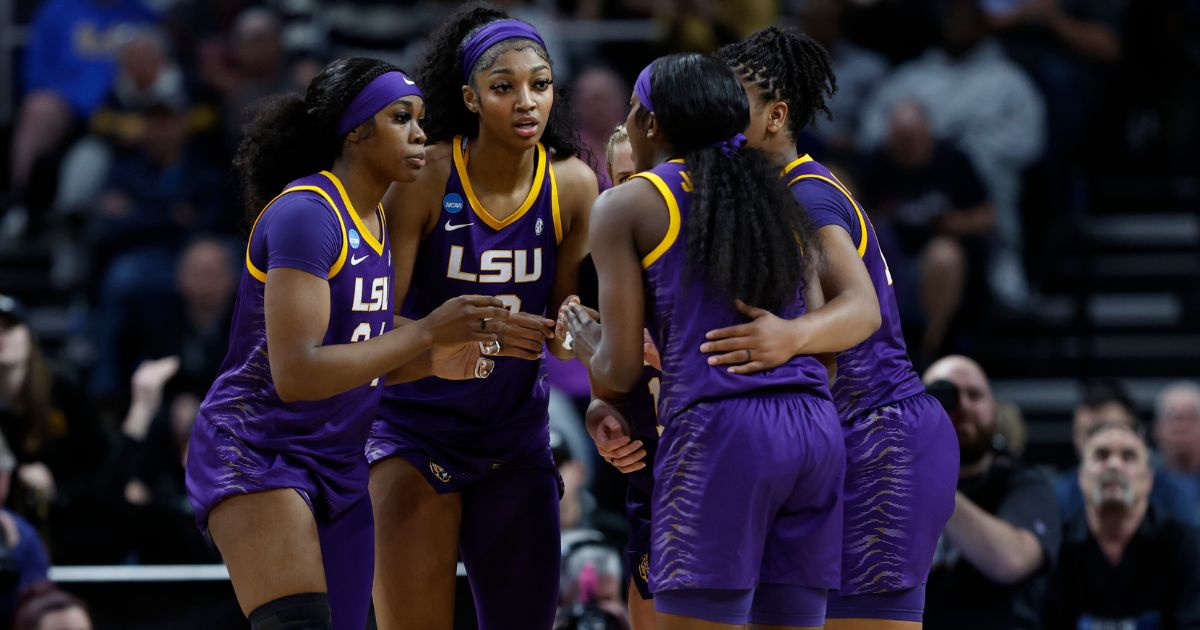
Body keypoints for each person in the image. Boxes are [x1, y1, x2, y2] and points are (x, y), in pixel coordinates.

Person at [184, 57, 510, 630]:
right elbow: (299, 372)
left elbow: (362, 355)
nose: (419, 133)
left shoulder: (376, 218)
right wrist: (428, 331)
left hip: (338, 457)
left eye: (420, 119)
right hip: (261, 447)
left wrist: (434, 361)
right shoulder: (308, 214)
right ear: (356, 132)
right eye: (400, 118)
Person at [566, 52, 843, 629]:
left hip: (719, 435)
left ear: (648, 123)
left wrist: (588, 338)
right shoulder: (781, 195)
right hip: (815, 432)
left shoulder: (629, 202)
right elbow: (827, 353)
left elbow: (618, 372)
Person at [698, 27, 960, 627]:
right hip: (840, 443)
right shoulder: (774, 197)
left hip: (882, 435)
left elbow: (861, 309)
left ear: (776, 115)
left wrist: (787, 337)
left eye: (732, 101)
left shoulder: (807, 194)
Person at [367, 5, 598, 629]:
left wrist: (576, 331)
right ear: (469, 97)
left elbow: (568, 330)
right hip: (414, 431)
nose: (527, 102)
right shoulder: (424, 177)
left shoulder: (574, 183)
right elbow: (371, 328)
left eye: (540, 84)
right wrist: (460, 335)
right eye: (504, 87)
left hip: (515, 437)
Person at [921, 355, 1061, 630]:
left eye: (974, 395)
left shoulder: (1024, 483)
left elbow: (1012, 561)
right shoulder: (887, 482)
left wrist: (929, 477)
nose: (961, 405)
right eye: (944, 393)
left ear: (994, 410)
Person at [1045, 424, 1200, 628]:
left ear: (1148, 480)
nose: (1114, 465)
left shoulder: (1187, 546)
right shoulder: (1054, 546)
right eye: (1101, 455)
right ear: (1081, 478)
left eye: (1128, 457)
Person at [1055, 379, 1198, 525]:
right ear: (1075, 438)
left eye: (1112, 428)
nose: (1103, 441)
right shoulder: (1059, 494)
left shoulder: (1170, 492)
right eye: (1090, 433)